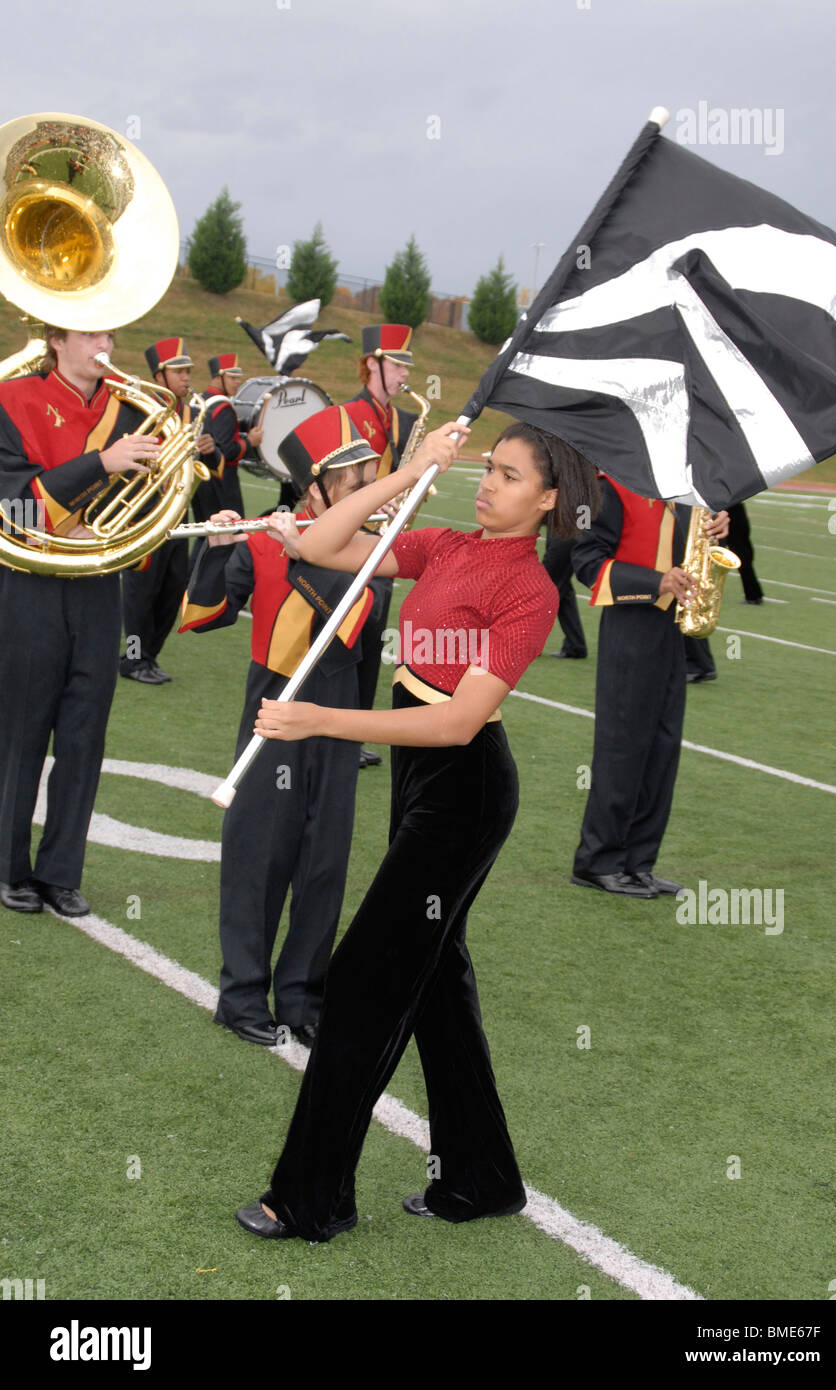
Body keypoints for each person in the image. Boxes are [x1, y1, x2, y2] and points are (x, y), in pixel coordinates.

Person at [233, 418, 599, 1243]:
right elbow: (322, 543)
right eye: (489, 468)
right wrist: (410, 471)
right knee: (434, 981)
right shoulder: (445, 545)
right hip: (419, 781)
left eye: (509, 476)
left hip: (462, 793)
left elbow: (459, 724)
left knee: (364, 977)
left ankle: (310, 1199)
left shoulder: (529, 590)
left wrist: (318, 719)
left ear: (547, 501)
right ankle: (480, 1177)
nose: (490, 482)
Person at [178, 407, 379, 1048]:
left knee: (324, 860)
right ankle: (241, 995)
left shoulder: (374, 552)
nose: (371, 487)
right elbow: (203, 616)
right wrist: (219, 548)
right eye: (355, 478)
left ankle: (302, 997)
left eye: (371, 472)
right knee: (261, 853)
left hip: (338, 710)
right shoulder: (266, 539)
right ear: (313, 488)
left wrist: (301, 552)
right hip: (273, 704)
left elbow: (352, 632)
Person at [0, 327, 160, 916]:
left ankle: (60, 871)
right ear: (56, 340)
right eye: (91, 332)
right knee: (21, 732)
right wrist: (102, 463)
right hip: (28, 585)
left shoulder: (131, 410)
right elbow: (11, 504)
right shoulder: (11, 399)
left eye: (111, 333)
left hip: (96, 588)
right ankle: (8, 866)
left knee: (84, 733)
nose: (106, 344)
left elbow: (150, 500)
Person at [570, 477, 729, 899]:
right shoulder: (612, 487)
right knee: (623, 743)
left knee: (662, 745)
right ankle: (598, 861)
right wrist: (655, 581)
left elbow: (689, 548)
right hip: (631, 621)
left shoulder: (690, 492)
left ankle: (639, 863)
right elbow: (586, 561)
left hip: (671, 627)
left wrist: (715, 526)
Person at [342, 325, 418, 768]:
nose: (404, 374)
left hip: (382, 541)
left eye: (408, 366)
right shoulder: (349, 413)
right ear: (372, 362)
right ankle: (337, 731)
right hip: (353, 538)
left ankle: (356, 735)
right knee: (347, 639)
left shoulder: (397, 418)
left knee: (371, 642)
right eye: (396, 364)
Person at [118, 337, 203, 685]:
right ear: (159, 374)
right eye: (178, 371)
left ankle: (149, 656)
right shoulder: (143, 408)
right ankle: (134, 658)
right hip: (145, 515)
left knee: (172, 591)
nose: (186, 377)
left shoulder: (191, 412)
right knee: (140, 596)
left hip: (176, 517)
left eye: (187, 371)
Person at [191, 352, 264, 523]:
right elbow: (226, 451)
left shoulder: (198, 401)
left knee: (205, 535)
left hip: (199, 482)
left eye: (238, 377)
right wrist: (249, 442)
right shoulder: (223, 408)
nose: (238, 382)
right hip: (221, 484)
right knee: (230, 534)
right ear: (218, 378)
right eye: (232, 377)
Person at [542, 524, 588, 658]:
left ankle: (529, 643)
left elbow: (584, 508)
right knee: (563, 592)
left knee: (543, 588)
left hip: (565, 534)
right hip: (560, 533)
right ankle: (575, 646)